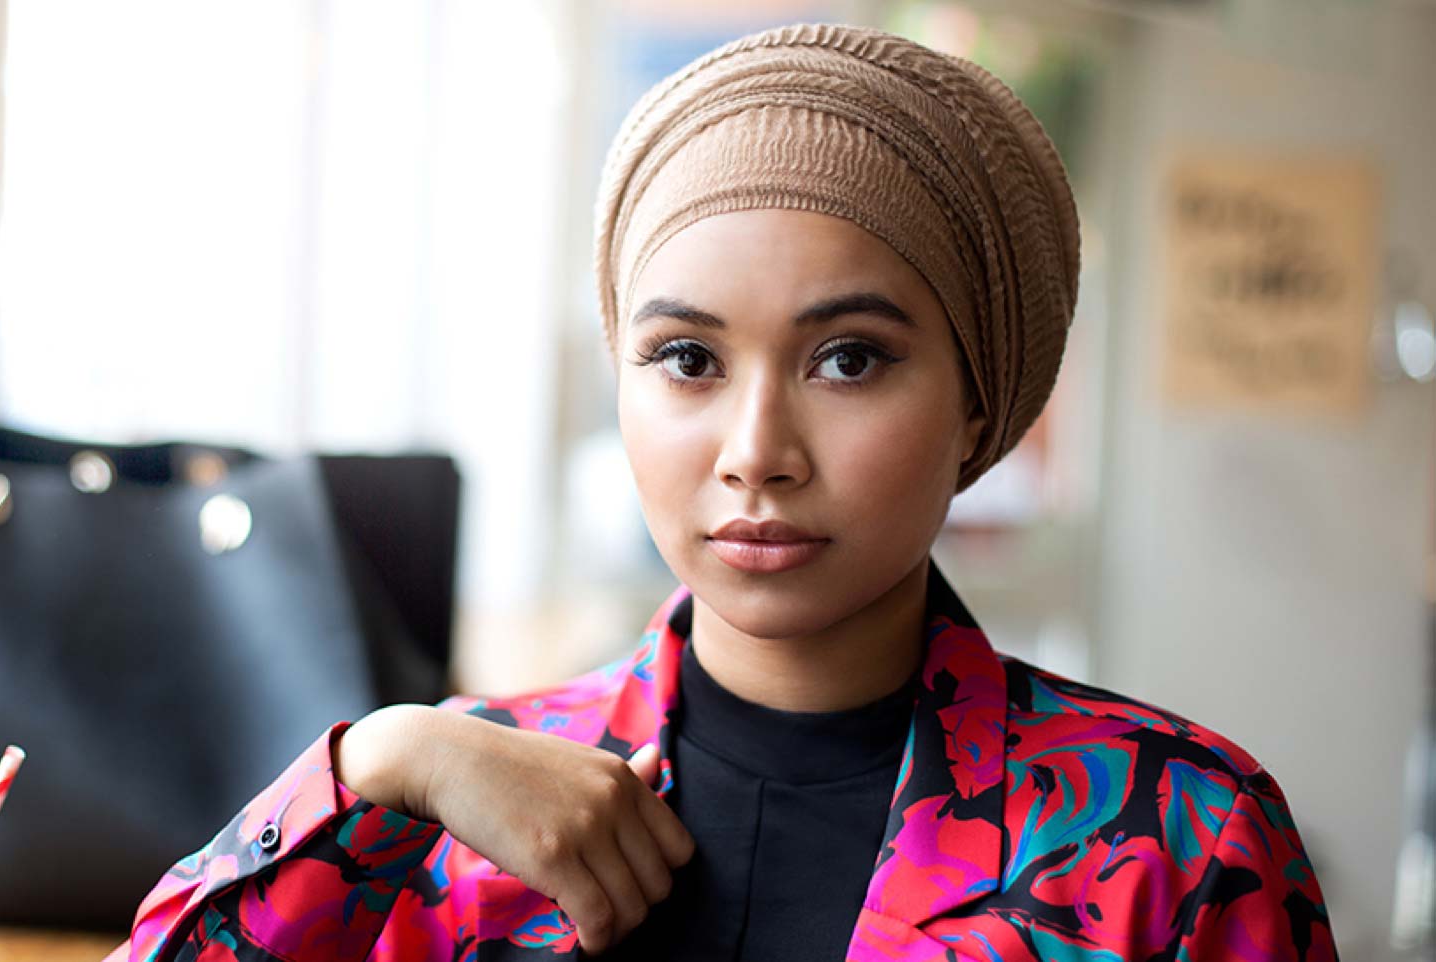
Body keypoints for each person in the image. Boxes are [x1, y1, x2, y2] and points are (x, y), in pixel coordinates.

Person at [105, 22, 1336, 962]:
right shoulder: (455, 808)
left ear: (979, 400)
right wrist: (382, 759)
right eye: (687, 359)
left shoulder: (1177, 838)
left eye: (848, 358)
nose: (757, 448)